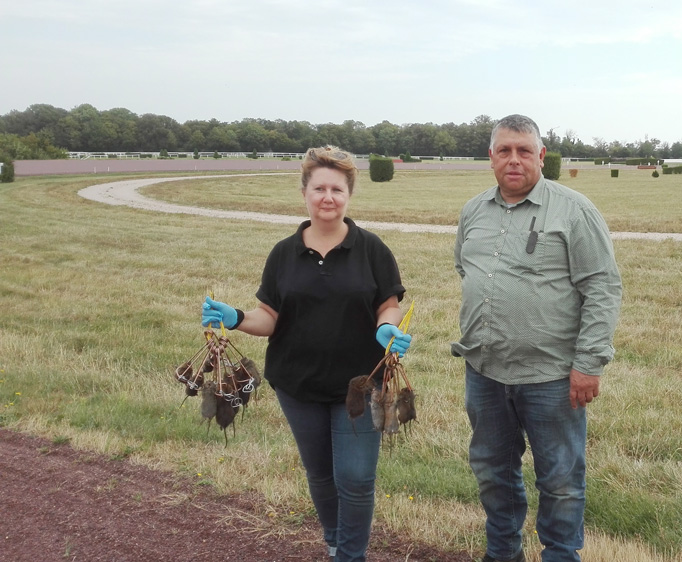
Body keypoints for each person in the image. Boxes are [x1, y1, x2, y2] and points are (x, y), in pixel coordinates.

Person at [201, 146, 412, 562]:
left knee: (354, 477)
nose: (328, 197)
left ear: (349, 195)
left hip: (361, 384)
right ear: (305, 193)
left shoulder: (371, 249)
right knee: (320, 474)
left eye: (337, 188)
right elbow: (270, 318)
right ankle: (335, 541)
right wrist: (237, 316)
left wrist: (387, 325)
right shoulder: (284, 253)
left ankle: (351, 556)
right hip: (298, 384)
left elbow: (388, 302)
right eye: (319, 188)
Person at [452, 115, 623, 562]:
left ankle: (561, 556)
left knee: (561, 481)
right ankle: (503, 553)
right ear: (490, 157)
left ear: (541, 156)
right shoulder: (473, 211)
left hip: (551, 378)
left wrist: (588, 364)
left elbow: (602, 288)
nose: (514, 160)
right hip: (485, 372)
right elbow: (466, 271)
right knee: (492, 472)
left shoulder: (575, 210)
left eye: (524, 151)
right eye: (504, 150)